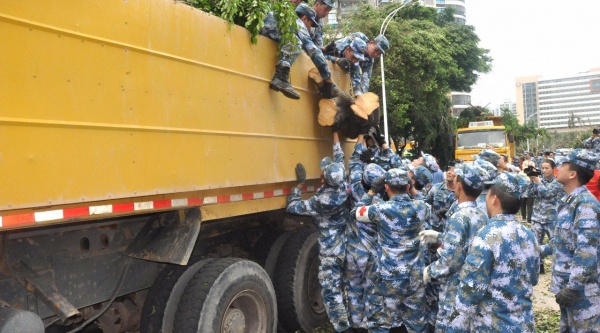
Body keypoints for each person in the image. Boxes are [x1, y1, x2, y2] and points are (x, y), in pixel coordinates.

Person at [446, 172, 540, 332]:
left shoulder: (486, 236)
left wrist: (454, 329)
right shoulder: (529, 234)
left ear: (494, 199)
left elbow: (470, 289)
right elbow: (534, 278)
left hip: (492, 326)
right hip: (524, 324)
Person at [286, 131, 351, 333]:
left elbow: (293, 207)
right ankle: (354, 321)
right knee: (347, 286)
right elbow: (339, 160)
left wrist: (299, 185)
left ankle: (343, 328)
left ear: (324, 179)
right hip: (347, 245)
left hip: (331, 250)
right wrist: (335, 137)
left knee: (331, 292)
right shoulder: (343, 185)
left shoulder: (321, 201)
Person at [352, 169, 429, 333]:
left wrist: (372, 191)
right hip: (415, 276)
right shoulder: (421, 207)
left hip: (389, 277)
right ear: (408, 187)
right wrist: (413, 189)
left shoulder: (380, 209)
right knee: (416, 323)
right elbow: (425, 201)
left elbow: (356, 212)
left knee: (380, 323)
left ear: (385, 187)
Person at [421, 163, 490, 332]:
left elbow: (449, 261)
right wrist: (439, 236)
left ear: (459, 184)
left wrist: (429, 272)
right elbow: (466, 242)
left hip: (455, 285)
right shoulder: (480, 213)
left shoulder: (459, 217)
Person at [540, 149, 600, 333]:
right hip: (567, 287)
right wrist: (538, 249)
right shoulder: (568, 201)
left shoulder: (586, 205)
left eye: (563, 166)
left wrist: (573, 287)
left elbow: (586, 251)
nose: (557, 168)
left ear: (572, 174)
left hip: (582, 292)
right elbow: (563, 242)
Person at [260, 3, 334, 100]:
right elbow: (313, 50)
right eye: (311, 24)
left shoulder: (280, 16)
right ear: (304, 18)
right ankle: (280, 77)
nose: (310, 29)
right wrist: (328, 79)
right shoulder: (297, 22)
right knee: (296, 42)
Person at [323, 32, 389, 96]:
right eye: (376, 50)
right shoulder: (357, 39)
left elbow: (364, 81)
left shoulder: (368, 61)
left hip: (340, 76)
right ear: (371, 43)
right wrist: (337, 60)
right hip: (328, 66)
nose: (376, 54)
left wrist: (360, 96)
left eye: (379, 54)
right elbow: (322, 53)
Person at [527, 159, 564, 264]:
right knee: (535, 244)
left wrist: (537, 181)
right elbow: (529, 194)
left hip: (551, 218)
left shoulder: (558, 182)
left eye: (547, 168)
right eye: (542, 168)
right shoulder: (538, 180)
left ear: (553, 169)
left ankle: (557, 264)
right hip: (537, 218)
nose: (544, 170)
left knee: (555, 243)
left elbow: (547, 193)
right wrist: (531, 181)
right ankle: (539, 265)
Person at [426, 163, 457, 232]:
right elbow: (426, 204)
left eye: (453, 171)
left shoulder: (461, 192)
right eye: (448, 170)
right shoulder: (436, 188)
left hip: (451, 230)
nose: (449, 172)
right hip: (434, 228)